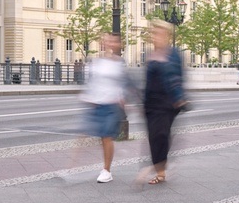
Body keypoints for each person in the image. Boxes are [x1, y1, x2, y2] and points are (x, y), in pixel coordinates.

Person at [141, 20, 187, 185]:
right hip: (151, 104)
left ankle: (160, 171)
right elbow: (147, 81)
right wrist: (143, 102)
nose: (155, 37)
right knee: (154, 137)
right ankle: (160, 166)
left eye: (159, 33)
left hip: (167, 102)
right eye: (154, 33)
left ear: (166, 35)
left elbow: (177, 78)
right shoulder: (151, 54)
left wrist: (179, 97)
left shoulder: (173, 54)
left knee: (160, 134)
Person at [80, 32, 129, 183]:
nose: (110, 44)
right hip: (99, 103)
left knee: (107, 136)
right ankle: (108, 161)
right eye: (107, 41)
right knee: (103, 137)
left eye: (113, 41)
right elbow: (93, 82)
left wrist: (123, 98)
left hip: (113, 104)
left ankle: (106, 170)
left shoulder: (119, 63)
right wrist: (88, 96)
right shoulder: (98, 62)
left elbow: (124, 83)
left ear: (118, 44)